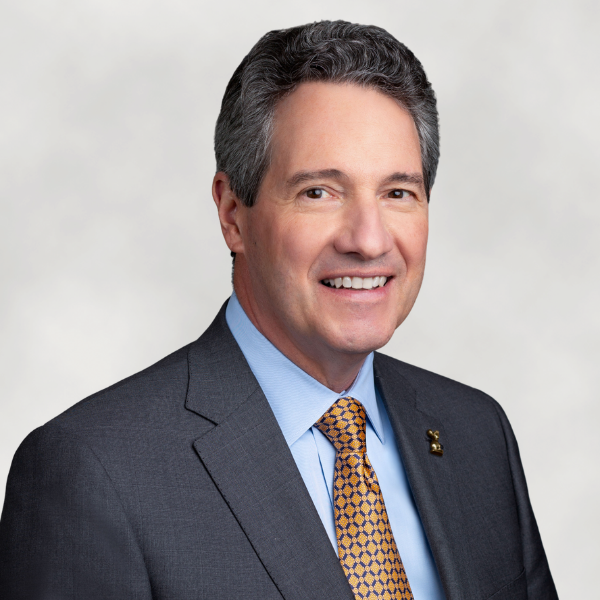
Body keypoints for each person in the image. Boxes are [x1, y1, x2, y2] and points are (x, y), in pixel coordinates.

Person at [0, 20, 557, 600]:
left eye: (398, 193)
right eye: (319, 192)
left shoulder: (476, 433)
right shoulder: (93, 471)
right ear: (232, 215)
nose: (368, 240)